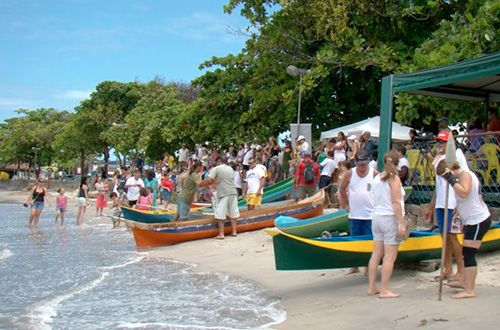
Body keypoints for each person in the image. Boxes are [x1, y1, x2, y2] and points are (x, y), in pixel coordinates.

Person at [436, 160, 491, 299]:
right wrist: (458, 212)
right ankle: (464, 281)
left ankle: (470, 289)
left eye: (443, 177)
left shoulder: (465, 176)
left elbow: (465, 192)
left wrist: (451, 180)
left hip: (477, 220)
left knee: (468, 253)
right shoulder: (461, 177)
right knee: (466, 252)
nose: (444, 180)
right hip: (470, 219)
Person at [423, 131, 468, 281]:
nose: (439, 144)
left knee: (452, 236)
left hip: (453, 202)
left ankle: (461, 270)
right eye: (438, 141)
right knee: (444, 237)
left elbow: (462, 176)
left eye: (442, 142)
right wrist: (431, 206)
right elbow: (438, 186)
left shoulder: (457, 155)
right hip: (441, 203)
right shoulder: (439, 158)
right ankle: (447, 268)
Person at [367, 151, 406, 298]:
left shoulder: (377, 177)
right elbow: (396, 202)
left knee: (376, 253)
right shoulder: (394, 179)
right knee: (389, 256)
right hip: (389, 218)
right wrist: (401, 223)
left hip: (376, 217)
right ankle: (384, 289)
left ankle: (372, 286)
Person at [339, 151, 377, 274]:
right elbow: (342, 188)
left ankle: (367, 266)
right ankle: (354, 266)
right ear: (356, 163)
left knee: (369, 241)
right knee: (354, 240)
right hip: (354, 213)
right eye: (359, 165)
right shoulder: (350, 173)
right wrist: (344, 203)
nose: (361, 167)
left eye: (364, 165)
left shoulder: (374, 173)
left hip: (370, 214)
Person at [198, 155, 239, 239]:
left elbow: (209, 180)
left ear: (219, 161)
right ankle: (234, 231)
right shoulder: (230, 169)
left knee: (220, 214)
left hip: (223, 193)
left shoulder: (216, 169)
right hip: (233, 192)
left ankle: (221, 234)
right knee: (233, 213)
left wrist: (199, 184)